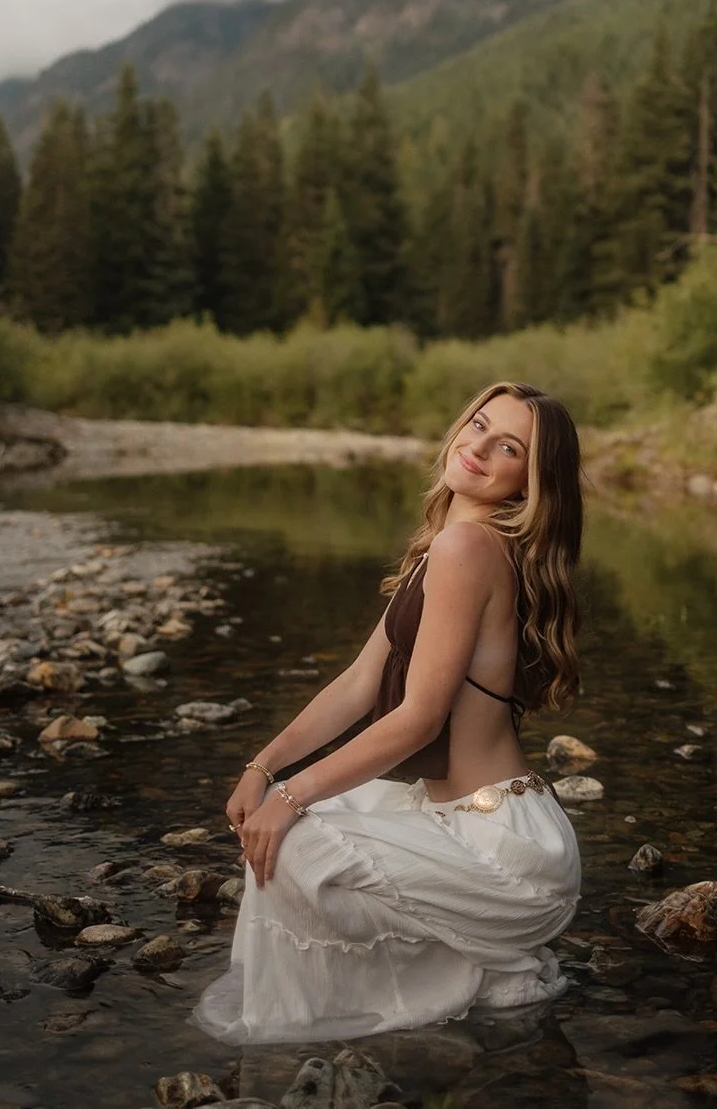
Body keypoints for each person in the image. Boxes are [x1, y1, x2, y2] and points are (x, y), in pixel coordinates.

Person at [192, 381, 584, 1045]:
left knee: (297, 844)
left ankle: (491, 963)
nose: (480, 447)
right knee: (310, 819)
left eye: (508, 447)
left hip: (504, 848)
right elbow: (358, 683)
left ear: (530, 481)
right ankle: (477, 961)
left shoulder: (471, 550)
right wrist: (263, 767)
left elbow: (419, 719)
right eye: (479, 425)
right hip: (466, 820)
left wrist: (288, 796)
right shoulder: (446, 543)